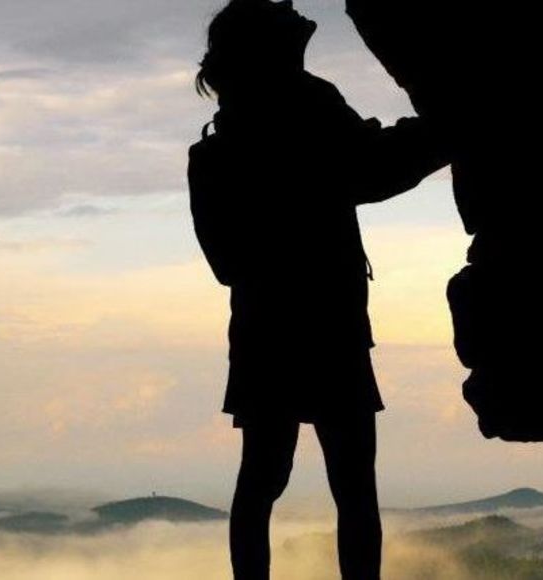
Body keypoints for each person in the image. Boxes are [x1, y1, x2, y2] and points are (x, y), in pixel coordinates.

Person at [187, 1, 449, 578]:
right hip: (330, 323)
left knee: (263, 479)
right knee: (351, 484)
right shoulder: (311, 106)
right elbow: (372, 169)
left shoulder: (214, 155)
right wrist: (442, 131)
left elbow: (227, 263)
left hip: (266, 329)